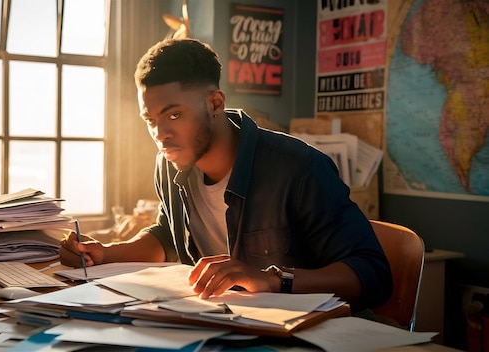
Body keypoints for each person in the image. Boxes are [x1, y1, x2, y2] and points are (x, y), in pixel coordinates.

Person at [60, 38, 392, 315]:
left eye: (174, 115)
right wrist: (108, 252)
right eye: (151, 120)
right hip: (221, 326)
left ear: (215, 103)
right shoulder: (169, 164)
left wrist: (271, 279)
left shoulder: (301, 168)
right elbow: (168, 236)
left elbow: (374, 275)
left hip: (306, 333)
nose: (161, 134)